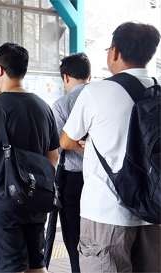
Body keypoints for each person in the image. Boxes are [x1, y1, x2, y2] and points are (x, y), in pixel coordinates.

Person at [60, 22, 161, 272]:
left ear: (114, 52)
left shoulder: (97, 92)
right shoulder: (158, 93)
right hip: (154, 213)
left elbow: (66, 140)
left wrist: (88, 145)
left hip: (105, 215)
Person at [0, 43, 59, 273]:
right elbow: (53, 158)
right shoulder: (44, 107)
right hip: (36, 200)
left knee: (9, 268)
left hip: (1, 203)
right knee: (36, 265)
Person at [50, 53, 90, 273]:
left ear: (65, 77)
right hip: (102, 179)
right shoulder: (101, 98)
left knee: (73, 237)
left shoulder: (61, 105)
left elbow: (56, 145)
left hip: (73, 181)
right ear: (89, 75)